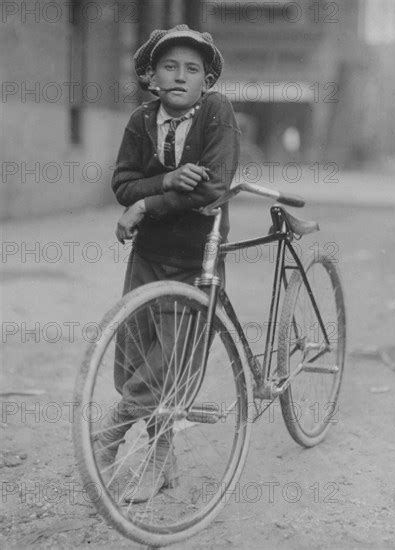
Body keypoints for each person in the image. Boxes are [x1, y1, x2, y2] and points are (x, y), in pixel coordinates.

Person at [95, 24, 240, 502]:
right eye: (169, 67)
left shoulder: (216, 113)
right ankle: (165, 460)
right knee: (135, 352)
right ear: (152, 77)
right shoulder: (141, 122)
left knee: (171, 360)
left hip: (196, 253)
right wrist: (170, 180)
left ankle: (113, 434)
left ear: (206, 80)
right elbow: (122, 183)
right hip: (148, 254)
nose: (180, 76)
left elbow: (214, 186)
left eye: (192, 69)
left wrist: (145, 205)